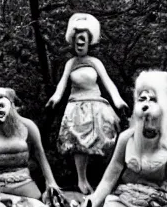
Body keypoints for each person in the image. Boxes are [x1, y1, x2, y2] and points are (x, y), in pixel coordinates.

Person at [82, 70, 167, 207]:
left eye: (153, 99)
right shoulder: (126, 139)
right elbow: (108, 181)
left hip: (158, 205)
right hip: (125, 205)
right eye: (142, 98)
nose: (146, 103)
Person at [46, 14, 125, 195]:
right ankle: (82, 180)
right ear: (72, 43)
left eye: (83, 40)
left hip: (97, 105)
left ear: (89, 42)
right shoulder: (71, 63)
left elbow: (108, 83)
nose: (80, 43)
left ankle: (109, 179)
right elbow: (62, 84)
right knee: (79, 143)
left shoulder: (95, 62)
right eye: (77, 40)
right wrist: (56, 98)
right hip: (76, 105)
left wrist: (118, 101)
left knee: (109, 138)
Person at [0, 88, 59, 202]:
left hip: (25, 182)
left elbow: (41, 155)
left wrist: (51, 184)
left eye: (2, 104)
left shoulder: (28, 126)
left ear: (12, 105)